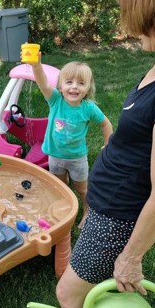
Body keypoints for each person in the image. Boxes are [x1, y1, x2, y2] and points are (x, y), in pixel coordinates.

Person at [56, 0, 155, 308]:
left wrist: (131, 256)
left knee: (69, 296)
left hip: (118, 218)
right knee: (86, 293)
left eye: (130, 3)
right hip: (106, 209)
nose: (125, 15)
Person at [30, 59, 113, 228]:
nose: (74, 87)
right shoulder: (55, 100)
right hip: (55, 156)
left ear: (88, 88)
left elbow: (106, 124)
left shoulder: (88, 108)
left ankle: (87, 210)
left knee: (82, 189)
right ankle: (64, 208)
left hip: (77, 158)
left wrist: (108, 144)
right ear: (60, 85)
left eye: (81, 83)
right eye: (69, 82)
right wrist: (36, 65)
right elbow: (42, 82)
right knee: (60, 185)